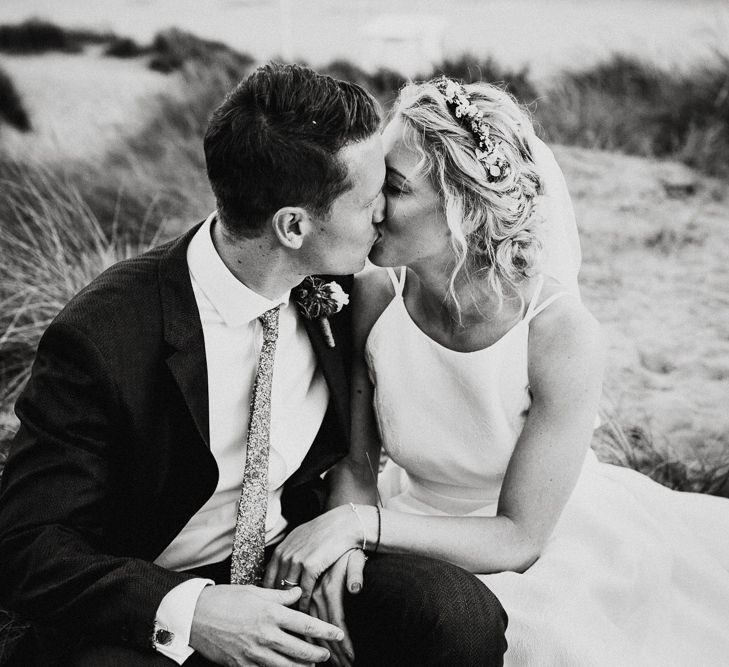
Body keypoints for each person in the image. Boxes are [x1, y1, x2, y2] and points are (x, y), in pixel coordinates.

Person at [0, 65, 508, 667]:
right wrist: (192, 611)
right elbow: (27, 545)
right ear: (292, 226)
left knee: (460, 619)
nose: (383, 217)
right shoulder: (103, 337)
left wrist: (339, 540)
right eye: (371, 200)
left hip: (290, 560)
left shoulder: (347, 294)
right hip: (155, 601)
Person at [265, 77, 729, 666]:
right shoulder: (376, 295)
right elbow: (358, 462)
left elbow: (519, 537)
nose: (371, 203)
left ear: (464, 210)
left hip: (546, 540)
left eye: (397, 189)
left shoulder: (560, 335)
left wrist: (362, 526)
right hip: (405, 514)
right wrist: (342, 542)